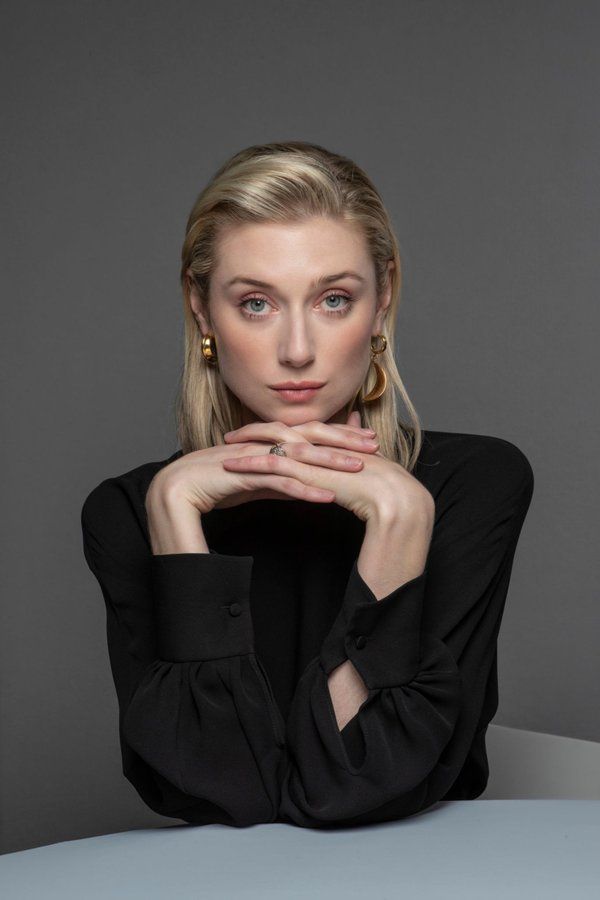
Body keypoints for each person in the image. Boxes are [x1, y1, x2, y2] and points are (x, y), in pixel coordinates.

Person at [81, 141, 534, 829]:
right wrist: (175, 516)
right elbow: (223, 796)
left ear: (381, 303)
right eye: (257, 304)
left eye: (334, 299)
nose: (297, 350)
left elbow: (351, 786)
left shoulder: (473, 484)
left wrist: (400, 521)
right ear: (202, 311)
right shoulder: (130, 511)